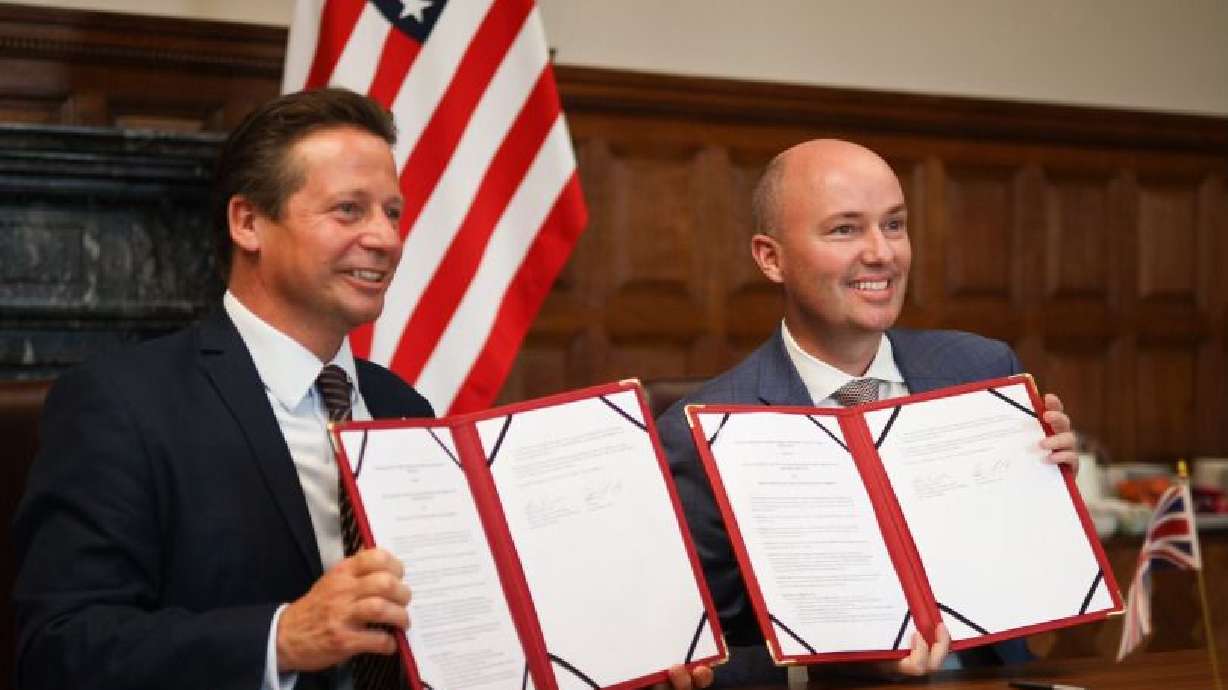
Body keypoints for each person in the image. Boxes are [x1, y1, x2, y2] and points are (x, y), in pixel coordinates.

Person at [11, 88, 713, 690]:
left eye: (393, 213)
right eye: (349, 210)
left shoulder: (404, 406)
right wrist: (281, 638)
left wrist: (617, 654)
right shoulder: (125, 404)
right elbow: (59, 648)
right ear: (248, 222)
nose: (386, 239)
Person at [657, 139, 1078, 687]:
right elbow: (698, 662)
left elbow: (1039, 577)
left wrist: (1050, 494)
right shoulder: (698, 431)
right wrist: (841, 667)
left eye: (894, 225)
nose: (882, 253)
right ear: (771, 258)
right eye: (845, 229)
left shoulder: (983, 371)